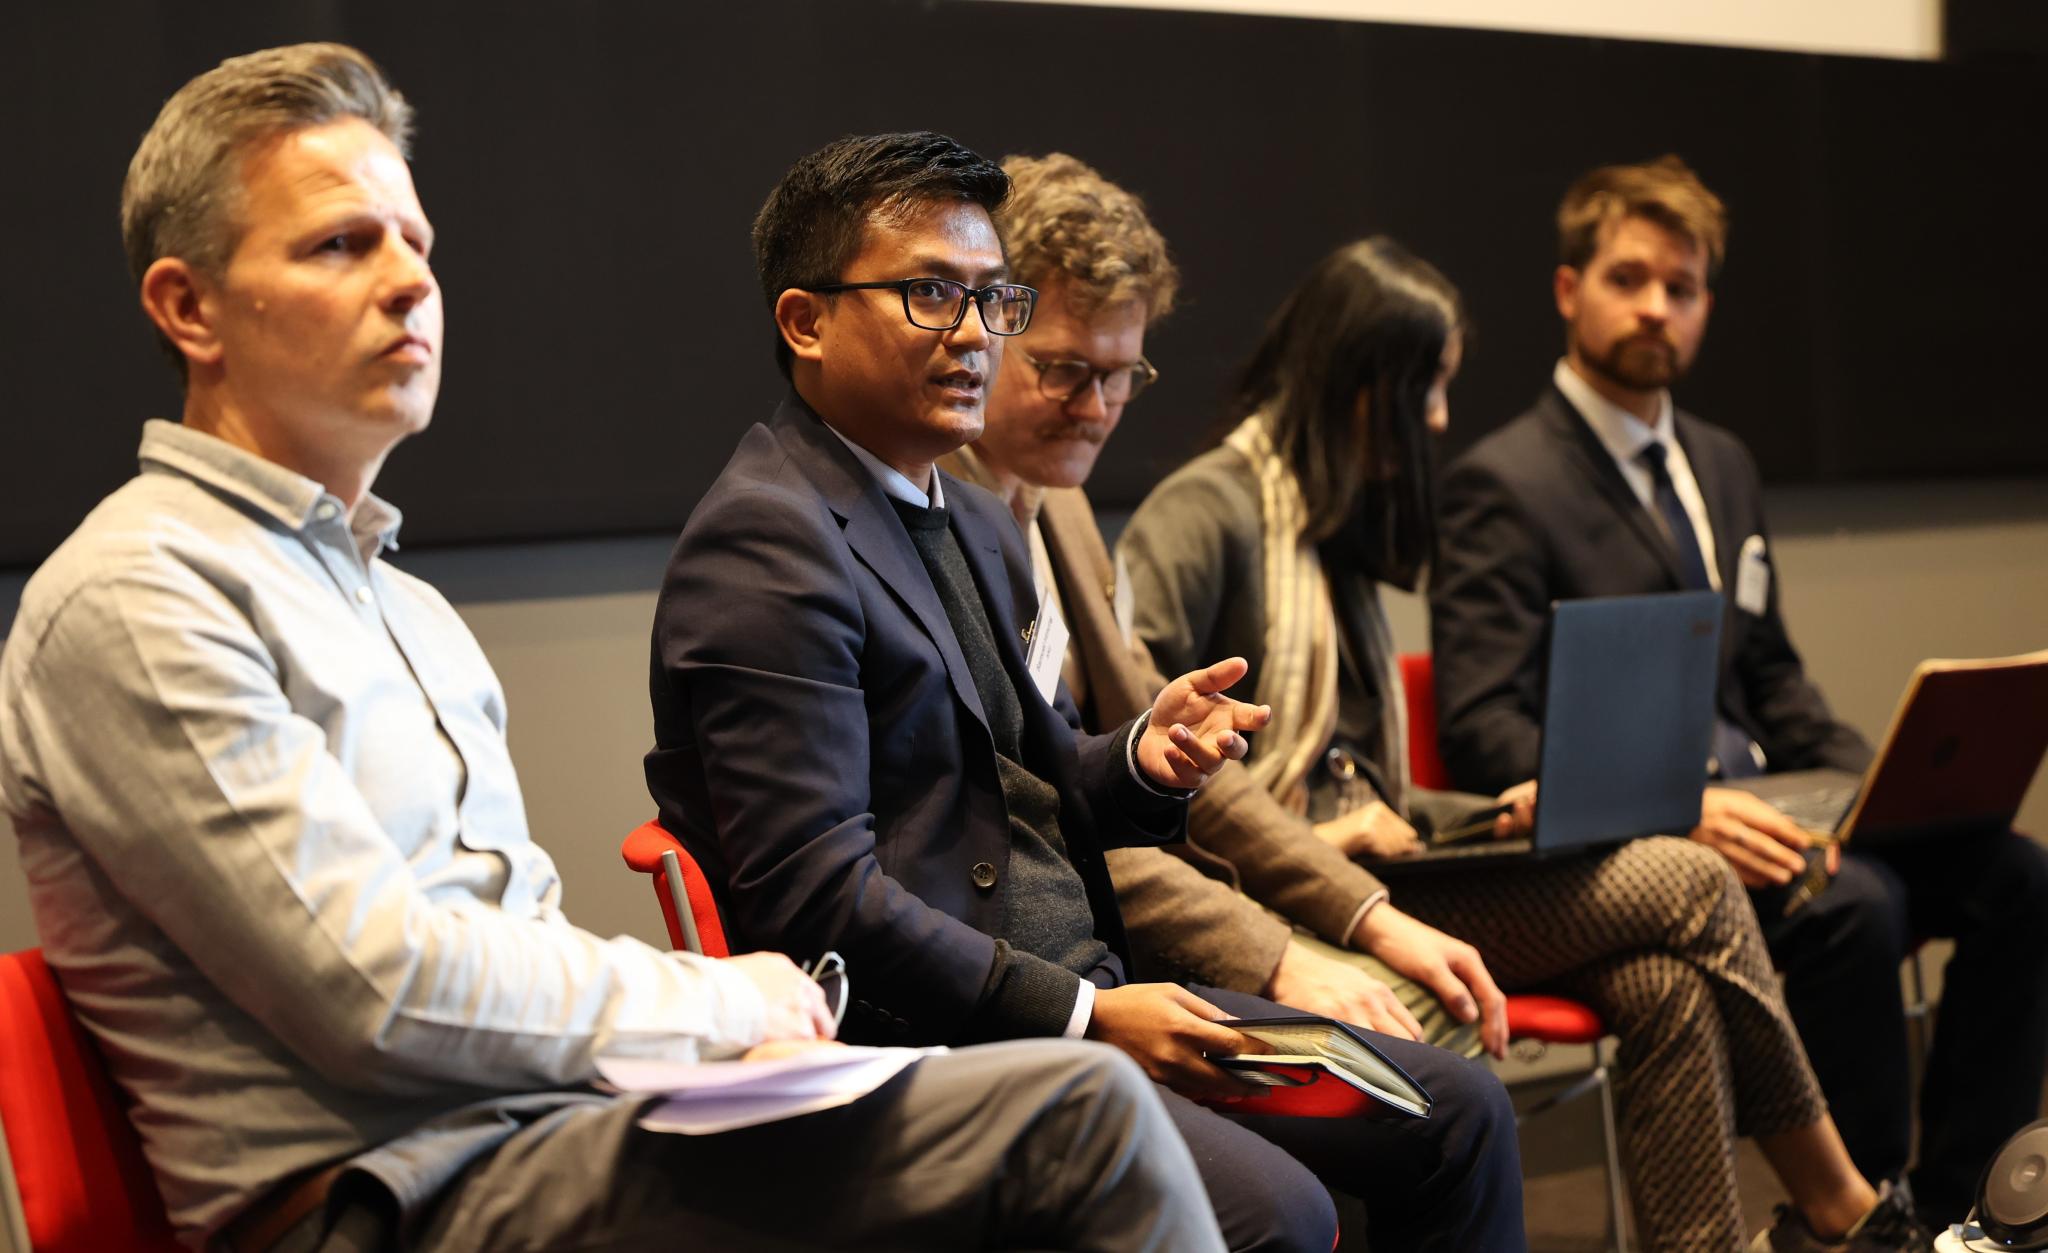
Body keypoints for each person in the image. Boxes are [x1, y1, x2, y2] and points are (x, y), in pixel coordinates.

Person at [0, 45, 1229, 1253]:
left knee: (1043, 1112)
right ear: (187, 306)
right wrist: (719, 998)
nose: (408, 282)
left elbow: (520, 936)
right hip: (382, 1190)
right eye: (340, 243)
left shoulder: (407, 607)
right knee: (1079, 1116)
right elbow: (374, 990)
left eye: (416, 244)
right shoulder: (141, 594)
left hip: (551, 1128)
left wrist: (739, 1042)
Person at [645, 130, 1527, 1253]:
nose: (972, 333)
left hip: (1085, 1002)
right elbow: (815, 897)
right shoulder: (764, 542)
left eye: (987, 297)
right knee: (1281, 1214)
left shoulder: (967, 514)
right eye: (928, 294)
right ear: (805, 322)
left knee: (1454, 1114)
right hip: (944, 1049)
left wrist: (1143, 759)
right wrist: (1085, 1013)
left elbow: (1042, 778)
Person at [1119, 236, 1931, 1252]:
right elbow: (1127, 758)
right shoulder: (1205, 511)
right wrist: (1316, 827)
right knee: (1690, 882)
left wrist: (1485, 809)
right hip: (1290, 887)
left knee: (1665, 984)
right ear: (1364, 384)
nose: (1440, 419)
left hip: (1389, 862)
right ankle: (1843, 1207)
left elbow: (1368, 785)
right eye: (1431, 390)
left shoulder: (1331, 524)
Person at [1428, 154, 2048, 1231]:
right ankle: (1860, 1219)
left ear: (1705, 303)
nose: (1655, 308)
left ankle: (1965, 1207)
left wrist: (1871, 780)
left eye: (1681, 286)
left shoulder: (1719, 464)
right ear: (1569, 290)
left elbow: (1767, 673)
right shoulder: (1503, 478)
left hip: (1773, 810)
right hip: (1642, 848)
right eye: (1629, 278)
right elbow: (1483, 727)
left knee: (2016, 875)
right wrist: (1679, 808)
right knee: (1856, 905)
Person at [940, 151, 1503, 1054]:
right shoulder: (935, 521)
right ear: (991, 325)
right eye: (1064, 370)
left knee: (1438, 1014)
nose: (1097, 409)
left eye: (1121, 375)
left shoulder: (1064, 507)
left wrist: (1364, 915)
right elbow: (1035, 830)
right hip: (1035, 971)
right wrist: (1275, 953)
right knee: (1416, 1039)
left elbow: (1185, 768)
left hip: (1136, 920)